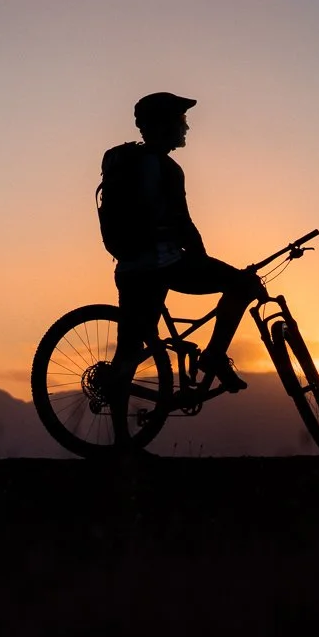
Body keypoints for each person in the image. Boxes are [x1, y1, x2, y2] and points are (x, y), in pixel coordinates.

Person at [96, 92, 263, 449]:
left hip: (129, 268)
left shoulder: (125, 162)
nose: (186, 126)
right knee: (243, 285)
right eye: (180, 120)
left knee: (128, 349)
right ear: (163, 125)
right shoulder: (167, 169)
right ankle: (214, 357)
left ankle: (124, 444)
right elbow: (184, 225)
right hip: (164, 264)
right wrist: (204, 259)